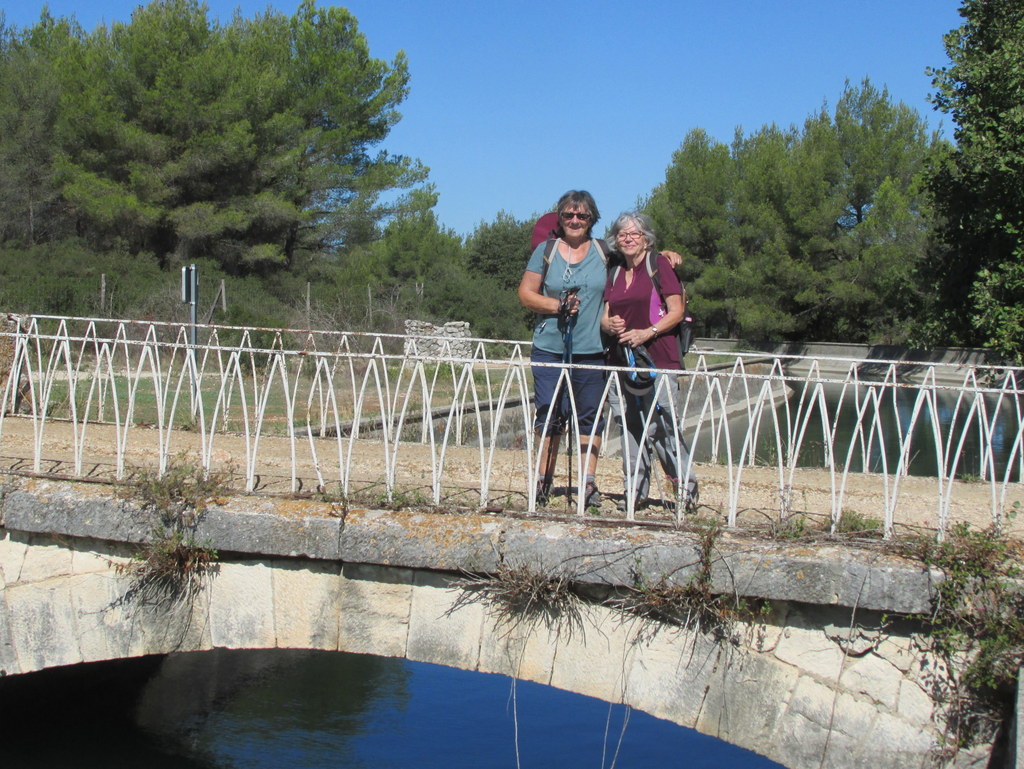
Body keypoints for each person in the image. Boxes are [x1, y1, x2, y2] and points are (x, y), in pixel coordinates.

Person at [602, 212, 699, 512]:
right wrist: (609, 325)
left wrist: (648, 332)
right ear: (616, 240)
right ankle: (635, 491)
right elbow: (605, 313)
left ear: (646, 238)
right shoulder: (615, 270)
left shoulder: (660, 265)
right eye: (622, 234)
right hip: (624, 361)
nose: (628, 239)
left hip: (659, 360)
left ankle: (685, 489)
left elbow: (676, 311)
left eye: (635, 234)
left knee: (662, 427)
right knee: (629, 426)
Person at [518, 190, 608, 507]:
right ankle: (543, 481)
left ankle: (587, 483)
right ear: (560, 217)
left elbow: (636, 258)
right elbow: (527, 294)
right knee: (549, 415)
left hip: (592, 349)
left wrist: (661, 253)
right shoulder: (547, 251)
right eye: (569, 215)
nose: (574, 221)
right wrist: (558, 306)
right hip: (549, 347)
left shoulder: (603, 251)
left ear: (591, 220)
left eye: (581, 216)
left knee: (590, 417)